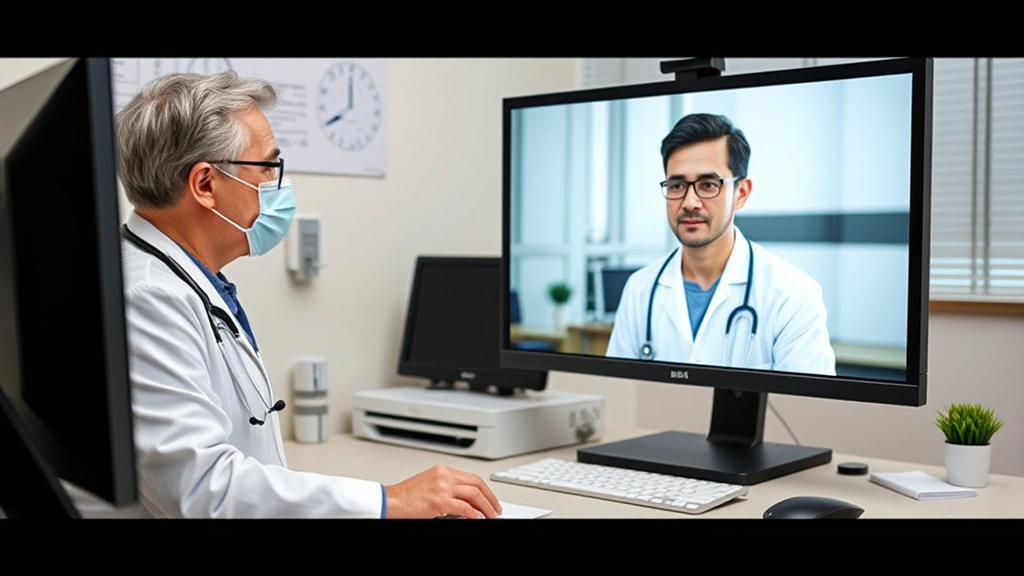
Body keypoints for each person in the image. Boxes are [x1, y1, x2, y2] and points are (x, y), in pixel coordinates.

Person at [67, 71, 502, 519]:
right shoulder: (148, 297)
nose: (280, 184)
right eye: (269, 166)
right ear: (205, 185)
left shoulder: (184, 279)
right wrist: (388, 501)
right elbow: (201, 489)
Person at [604, 113, 835, 376]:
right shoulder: (639, 290)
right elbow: (617, 394)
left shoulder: (792, 295)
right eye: (677, 185)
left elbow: (808, 410)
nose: (690, 202)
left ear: (741, 193)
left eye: (708, 185)